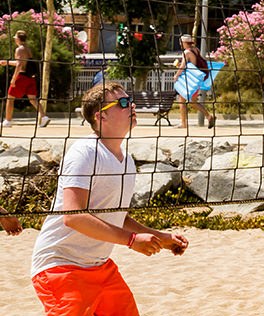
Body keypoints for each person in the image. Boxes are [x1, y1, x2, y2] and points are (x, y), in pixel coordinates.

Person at [30, 82, 189, 315]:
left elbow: (116, 216)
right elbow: (73, 217)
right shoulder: (84, 152)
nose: (132, 105)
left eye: (130, 100)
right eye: (123, 102)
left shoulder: (126, 160)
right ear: (101, 116)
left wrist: (160, 237)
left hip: (100, 267)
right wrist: (132, 240)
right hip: (61, 266)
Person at [2, 31, 50, 128]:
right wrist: (7, 62)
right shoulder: (27, 49)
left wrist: (13, 79)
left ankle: (7, 121)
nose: (14, 39)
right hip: (30, 77)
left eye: (15, 37)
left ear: (18, 39)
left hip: (22, 77)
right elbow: (22, 63)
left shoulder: (19, 49)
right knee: (33, 99)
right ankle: (44, 117)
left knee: (10, 98)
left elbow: (20, 65)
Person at [173, 34, 216, 129]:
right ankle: (206, 117)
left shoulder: (187, 52)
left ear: (184, 43)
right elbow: (194, 64)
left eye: (181, 42)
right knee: (185, 100)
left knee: (189, 101)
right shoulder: (196, 50)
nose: (180, 44)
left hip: (191, 80)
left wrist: (176, 75)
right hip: (196, 79)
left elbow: (183, 66)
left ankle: (207, 116)